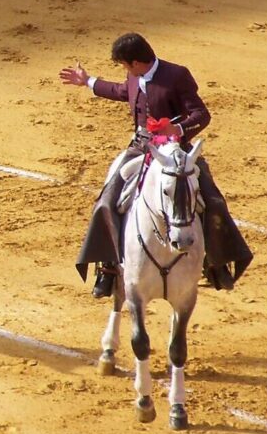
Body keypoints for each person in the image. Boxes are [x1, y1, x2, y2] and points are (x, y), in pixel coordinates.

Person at [59, 32, 252, 297]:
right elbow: (121, 91)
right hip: (140, 147)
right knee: (107, 200)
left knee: (211, 199)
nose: (126, 71)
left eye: (126, 65)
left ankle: (216, 264)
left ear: (137, 62)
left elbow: (201, 114)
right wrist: (88, 82)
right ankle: (108, 268)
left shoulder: (177, 75)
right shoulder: (134, 75)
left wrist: (179, 128)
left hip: (175, 150)